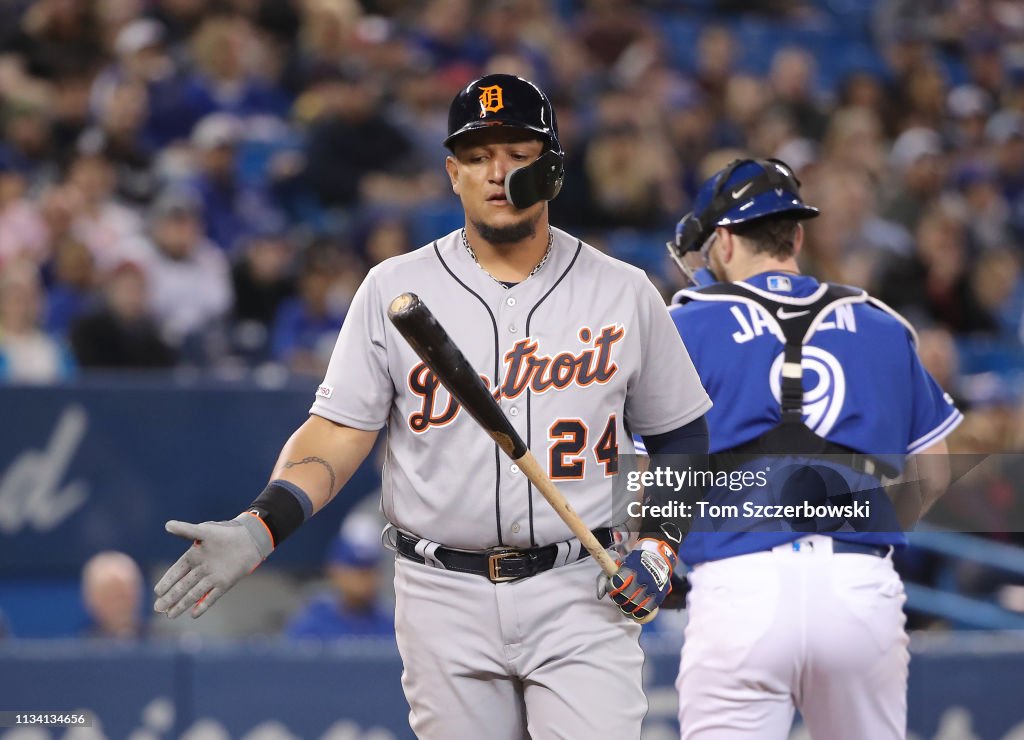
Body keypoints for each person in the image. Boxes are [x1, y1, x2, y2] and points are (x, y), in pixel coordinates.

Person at [154, 73, 711, 739]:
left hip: (580, 588)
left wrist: (656, 546)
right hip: (441, 593)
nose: (496, 173)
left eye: (517, 154)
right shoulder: (396, 285)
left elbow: (681, 434)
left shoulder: (623, 291)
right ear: (452, 173)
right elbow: (337, 432)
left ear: (553, 169)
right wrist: (262, 524)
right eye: (477, 157)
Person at [663, 158, 961, 739]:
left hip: (738, 584)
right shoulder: (881, 322)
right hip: (858, 589)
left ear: (722, 240)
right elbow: (938, 469)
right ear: (796, 235)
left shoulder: (685, 324)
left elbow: (646, 467)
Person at [285, 510, 395, 639]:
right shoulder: (313, 621)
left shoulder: (393, 622)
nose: (362, 576)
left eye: (369, 567)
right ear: (334, 569)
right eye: (354, 566)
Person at [82, 551, 146, 639]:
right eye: (110, 596)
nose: (119, 605)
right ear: (92, 599)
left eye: (124, 595)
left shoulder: (162, 642)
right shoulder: (80, 648)